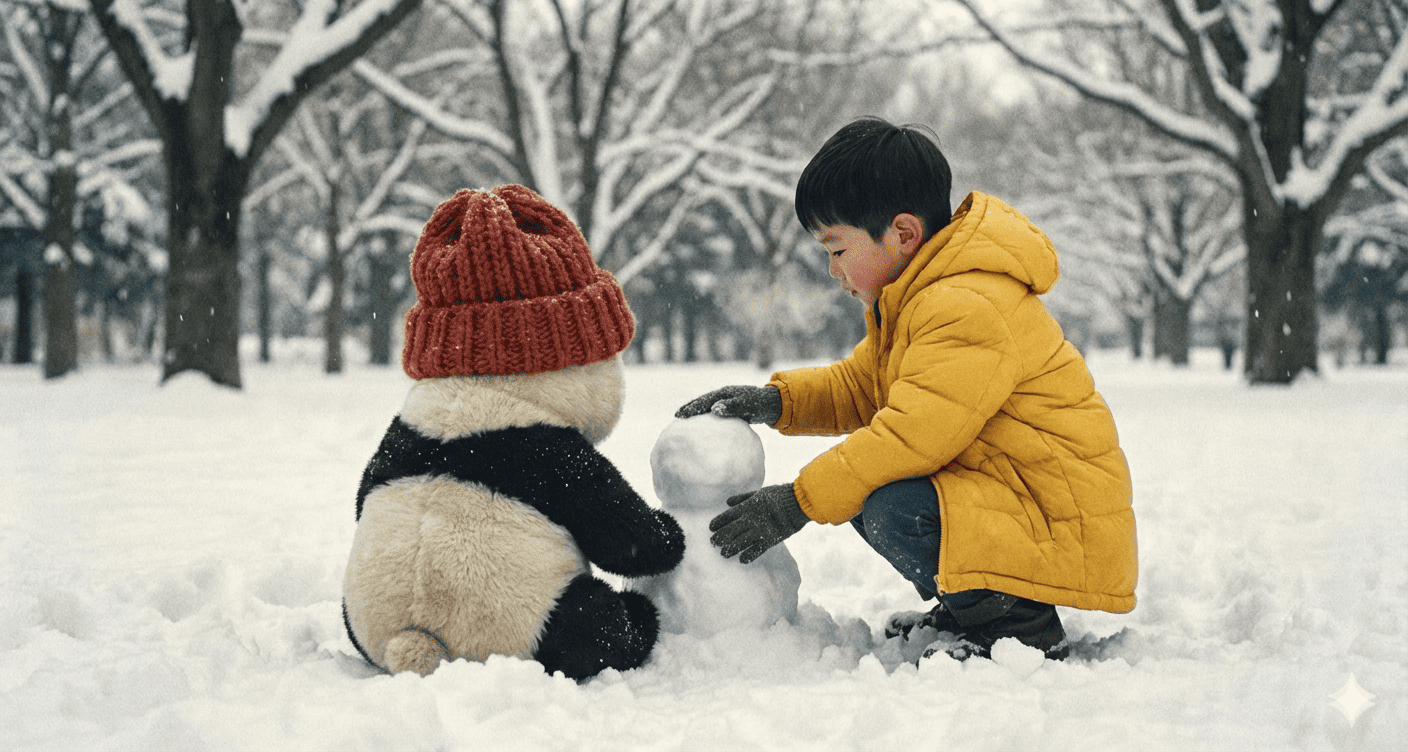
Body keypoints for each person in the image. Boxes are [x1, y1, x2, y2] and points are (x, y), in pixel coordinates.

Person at [677, 117, 1137, 661]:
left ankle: (1020, 627)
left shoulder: (965, 305)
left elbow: (910, 436)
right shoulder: (919, 299)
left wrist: (797, 502)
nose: (832, 271)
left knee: (890, 503)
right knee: (866, 489)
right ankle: (972, 603)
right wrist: (778, 401)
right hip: (1017, 501)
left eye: (837, 250)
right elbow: (859, 387)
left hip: (1056, 519)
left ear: (902, 234)